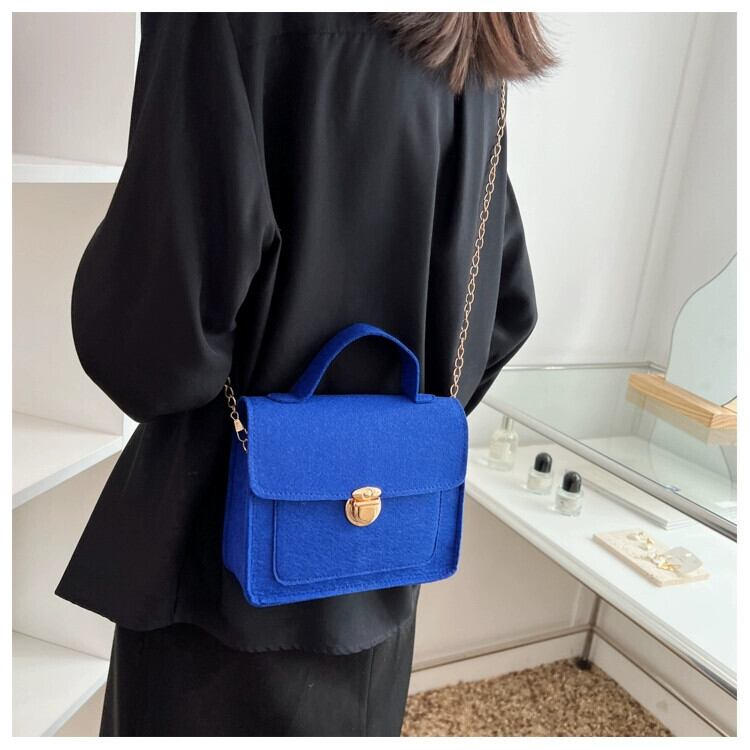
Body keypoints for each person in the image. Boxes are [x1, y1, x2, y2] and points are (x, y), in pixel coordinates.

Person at [56, 12, 553, 737]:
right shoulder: (475, 30)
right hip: (381, 560)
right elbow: (505, 306)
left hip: (218, 577)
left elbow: (150, 354)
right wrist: (377, 436)